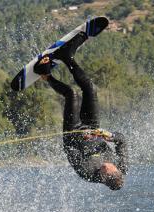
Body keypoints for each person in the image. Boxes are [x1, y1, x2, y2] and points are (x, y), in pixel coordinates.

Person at [33, 32, 128, 190]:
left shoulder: (88, 173)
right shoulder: (122, 167)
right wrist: (109, 136)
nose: (107, 165)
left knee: (72, 94)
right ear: (117, 170)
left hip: (73, 132)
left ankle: (45, 75)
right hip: (93, 127)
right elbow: (122, 140)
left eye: (105, 170)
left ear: (104, 178)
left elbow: (70, 151)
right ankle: (67, 56)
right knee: (90, 88)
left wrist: (81, 136)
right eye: (112, 167)